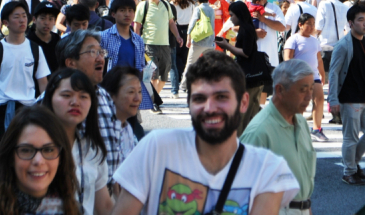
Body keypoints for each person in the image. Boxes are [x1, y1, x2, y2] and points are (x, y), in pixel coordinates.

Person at [110, 50, 300, 215]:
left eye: (221, 97)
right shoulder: (156, 149)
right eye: (200, 98)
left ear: (243, 102)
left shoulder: (268, 169)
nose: (209, 108)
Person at [0, 0, 51, 181]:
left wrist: (48, 112)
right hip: (1, 109)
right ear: (6, 22)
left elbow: (43, 83)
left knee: (26, 152)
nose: (21, 20)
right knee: (1, 155)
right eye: (16, 17)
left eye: (24, 16)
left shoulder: (35, 49)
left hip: (28, 109)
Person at [241, 59, 317, 215]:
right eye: (303, 90)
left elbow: (304, 187)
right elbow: (241, 193)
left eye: (311, 88)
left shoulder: (301, 123)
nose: (310, 96)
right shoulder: (259, 132)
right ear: (280, 90)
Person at [0, 105, 81, 215]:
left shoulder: (71, 209)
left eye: (48, 150)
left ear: (61, 157)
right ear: (11, 157)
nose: (39, 161)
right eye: (26, 150)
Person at [56, 29, 127, 188]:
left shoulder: (104, 96)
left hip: (107, 192)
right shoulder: (51, 101)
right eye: (92, 52)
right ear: (71, 63)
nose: (100, 57)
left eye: (101, 52)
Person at [41, 69, 112, 215]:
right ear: (50, 97)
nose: (75, 102)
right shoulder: (34, 146)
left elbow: (104, 205)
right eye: (66, 95)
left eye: (83, 96)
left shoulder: (92, 149)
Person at [327, 4, 365, 186]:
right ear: (350, 23)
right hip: (350, 98)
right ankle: (349, 171)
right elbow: (333, 73)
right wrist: (332, 99)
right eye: (360, 20)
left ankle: (352, 161)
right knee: (350, 137)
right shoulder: (343, 45)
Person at [215, 1, 266, 134]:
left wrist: (227, 46)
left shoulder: (246, 29)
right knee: (251, 112)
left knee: (244, 113)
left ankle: (241, 144)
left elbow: (245, 53)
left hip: (249, 76)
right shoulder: (247, 27)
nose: (230, 18)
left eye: (232, 15)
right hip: (254, 76)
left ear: (239, 14)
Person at [134, 0, 181, 107]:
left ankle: (154, 98)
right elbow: (137, 25)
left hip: (165, 45)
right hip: (149, 44)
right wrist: (137, 42)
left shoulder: (166, 5)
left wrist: (178, 36)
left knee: (164, 77)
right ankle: (154, 102)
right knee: (153, 75)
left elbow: (171, 23)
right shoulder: (143, 5)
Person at [284, 14, 327, 142]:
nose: (312, 26)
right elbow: (288, 58)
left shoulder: (314, 40)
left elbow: (319, 59)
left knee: (319, 100)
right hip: (299, 76)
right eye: (308, 23)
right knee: (300, 103)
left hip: (313, 75)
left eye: (313, 23)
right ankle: (297, 129)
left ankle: (317, 129)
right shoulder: (293, 39)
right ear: (300, 25)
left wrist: (322, 74)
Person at [100, 66, 141, 163]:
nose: (137, 98)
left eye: (139, 92)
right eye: (131, 92)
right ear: (111, 95)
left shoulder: (127, 128)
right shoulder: (103, 130)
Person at [180, 0, 216, 91]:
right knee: (210, 65)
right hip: (209, 42)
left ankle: (184, 86)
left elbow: (192, 23)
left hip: (198, 41)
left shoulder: (198, 9)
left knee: (190, 64)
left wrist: (188, 37)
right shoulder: (211, 9)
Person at [315, 0, 348, 73]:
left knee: (324, 77)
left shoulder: (323, 4)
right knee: (336, 77)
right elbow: (348, 29)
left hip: (325, 46)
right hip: (340, 47)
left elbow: (318, 27)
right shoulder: (345, 7)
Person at [170, 0, 195, 98]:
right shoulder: (191, 4)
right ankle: (185, 82)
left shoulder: (172, 4)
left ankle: (178, 81)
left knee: (175, 57)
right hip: (188, 30)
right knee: (186, 57)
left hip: (176, 29)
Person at [27, 2, 62, 74]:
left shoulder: (58, 40)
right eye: (43, 18)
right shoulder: (28, 41)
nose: (47, 22)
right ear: (34, 19)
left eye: (50, 19)